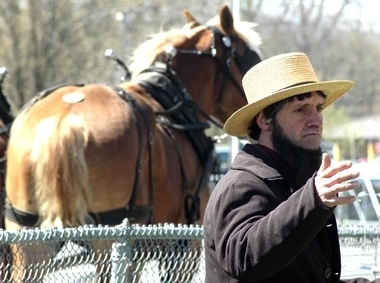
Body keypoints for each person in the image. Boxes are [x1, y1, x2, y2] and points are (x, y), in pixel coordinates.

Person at [204, 52, 380, 282]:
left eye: (318, 108)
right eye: (301, 109)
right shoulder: (241, 185)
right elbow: (243, 259)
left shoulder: (293, 181)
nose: (316, 120)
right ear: (265, 120)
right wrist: (313, 199)